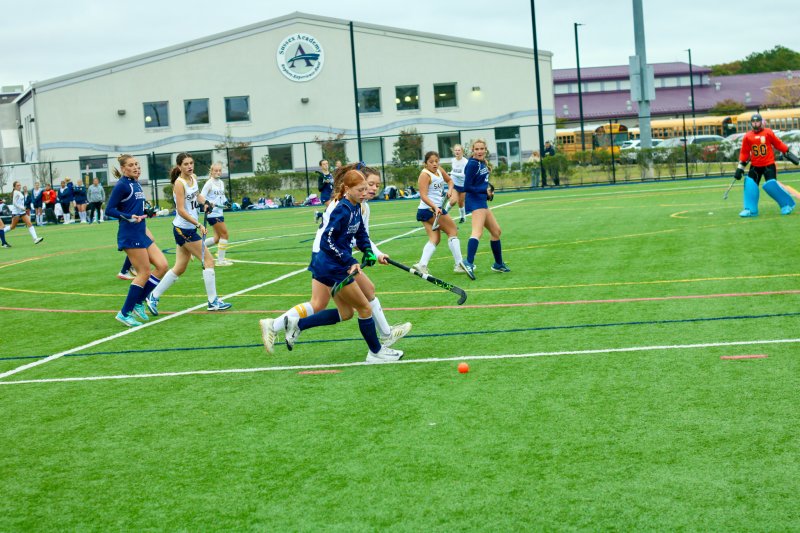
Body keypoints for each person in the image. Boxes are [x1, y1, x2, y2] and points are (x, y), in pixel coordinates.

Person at [260, 166, 405, 363]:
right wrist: (350, 261)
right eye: (361, 189)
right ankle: (376, 352)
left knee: (345, 313)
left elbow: (361, 234)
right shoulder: (342, 210)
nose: (365, 193)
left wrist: (370, 252)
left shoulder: (356, 208)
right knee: (364, 308)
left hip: (333, 263)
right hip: (332, 265)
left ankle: (297, 324)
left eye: (367, 188)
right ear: (347, 189)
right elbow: (326, 241)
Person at [145, 152, 232, 315]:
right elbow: (180, 209)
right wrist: (198, 224)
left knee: (179, 268)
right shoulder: (179, 183)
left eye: (191, 163)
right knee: (209, 260)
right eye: (185, 164)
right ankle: (213, 302)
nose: (189, 166)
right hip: (183, 229)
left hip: (188, 228)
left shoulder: (193, 178)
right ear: (179, 167)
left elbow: (197, 195)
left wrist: (205, 203)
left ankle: (153, 296)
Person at [105, 154, 169, 327]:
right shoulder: (122, 185)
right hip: (130, 234)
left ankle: (139, 303)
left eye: (137, 165)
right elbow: (109, 210)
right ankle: (125, 313)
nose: (136, 168)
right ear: (124, 168)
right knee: (144, 273)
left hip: (141, 232)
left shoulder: (135, 183)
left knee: (163, 266)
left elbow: (136, 208)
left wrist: (146, 215)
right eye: (132, 165)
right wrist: (128, 216)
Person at [412, 151, 473, 279]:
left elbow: (450, 181)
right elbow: (423, 196)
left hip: (431, 209)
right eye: (431, 162)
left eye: (436, 161)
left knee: (435, 238)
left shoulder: (439, 170)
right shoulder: (424, 175)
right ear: (425, 163)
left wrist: (450, 190)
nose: (434, 164)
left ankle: (422, 265)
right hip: (429, 209)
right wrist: (434, 207)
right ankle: (459, 264)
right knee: (452, 230)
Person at [735, 113, 800, 217]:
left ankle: (786, 205)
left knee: (771, 185)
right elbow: (744, 153)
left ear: (761, 122)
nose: (755, 124)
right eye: (753, 122)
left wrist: (789, 154)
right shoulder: (747, 136)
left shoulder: (768, 133)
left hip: (768, 165)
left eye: (757, 122)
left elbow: (778, 144)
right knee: (750, 184)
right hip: (755, 166)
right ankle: (750, 209)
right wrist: (740, 168)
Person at [461, 139, 509, 277]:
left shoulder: (481, 163)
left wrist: (488, 191)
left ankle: (498, 264)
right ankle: (468, 262)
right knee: (477, 232)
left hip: (481, 201)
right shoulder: (472, 164)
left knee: (496, 231)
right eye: (477, 149)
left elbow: (480, 183)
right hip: (475, 201)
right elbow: (467, 187)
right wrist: (484, 191)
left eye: (482, 149)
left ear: (485, 150)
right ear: (473, 151)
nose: (480, 151)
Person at [200, 162, 233, 266]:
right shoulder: (209, 183)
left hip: (220, 212)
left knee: (217, 238)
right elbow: (201, 197)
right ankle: (220, 260)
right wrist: (208, 203)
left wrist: (226, 202)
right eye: (216, 170)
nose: (218, 172)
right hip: (212, 214)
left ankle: (196, 247)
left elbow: (222, 197)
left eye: (219, 170)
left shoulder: (221, 183)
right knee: (225, 234)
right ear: (212, 171)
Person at [4, 181, 45, 245]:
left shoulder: (19, 192)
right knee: (12, 226)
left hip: (22, 212)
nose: (19, 186)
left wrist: (22, 208)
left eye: (20, 185)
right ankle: (1, 232)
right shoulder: (15, 192)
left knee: (29, 223)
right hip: (16, 212)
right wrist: (21, 207)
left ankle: (35, 239)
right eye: (17, 185)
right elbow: (14, 203)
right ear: (14, 187)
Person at [449, 144, 468, 223]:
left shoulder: (465, 161)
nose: (457, 152)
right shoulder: (453, 160)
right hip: (455, 184)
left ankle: (463, 217)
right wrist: (451, 175)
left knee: (460, 202)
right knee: (453, 201)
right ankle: (443, 214)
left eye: (459, 150)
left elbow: (463, 175)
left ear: (462, 151)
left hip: (463, 185)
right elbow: (453, 172)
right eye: (456, 150)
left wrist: (451, 173)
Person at [314, 159, 334, 224]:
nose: (326, 165)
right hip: (325, 196)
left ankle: (319, 215)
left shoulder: (331, 175)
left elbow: (333, 186)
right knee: (333, 211)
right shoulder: (321, 176)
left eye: (327, 163)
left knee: (329, 211)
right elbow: (320, 189)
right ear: (321, 166)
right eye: (324, 164)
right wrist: (325, 182)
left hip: (331, 195)